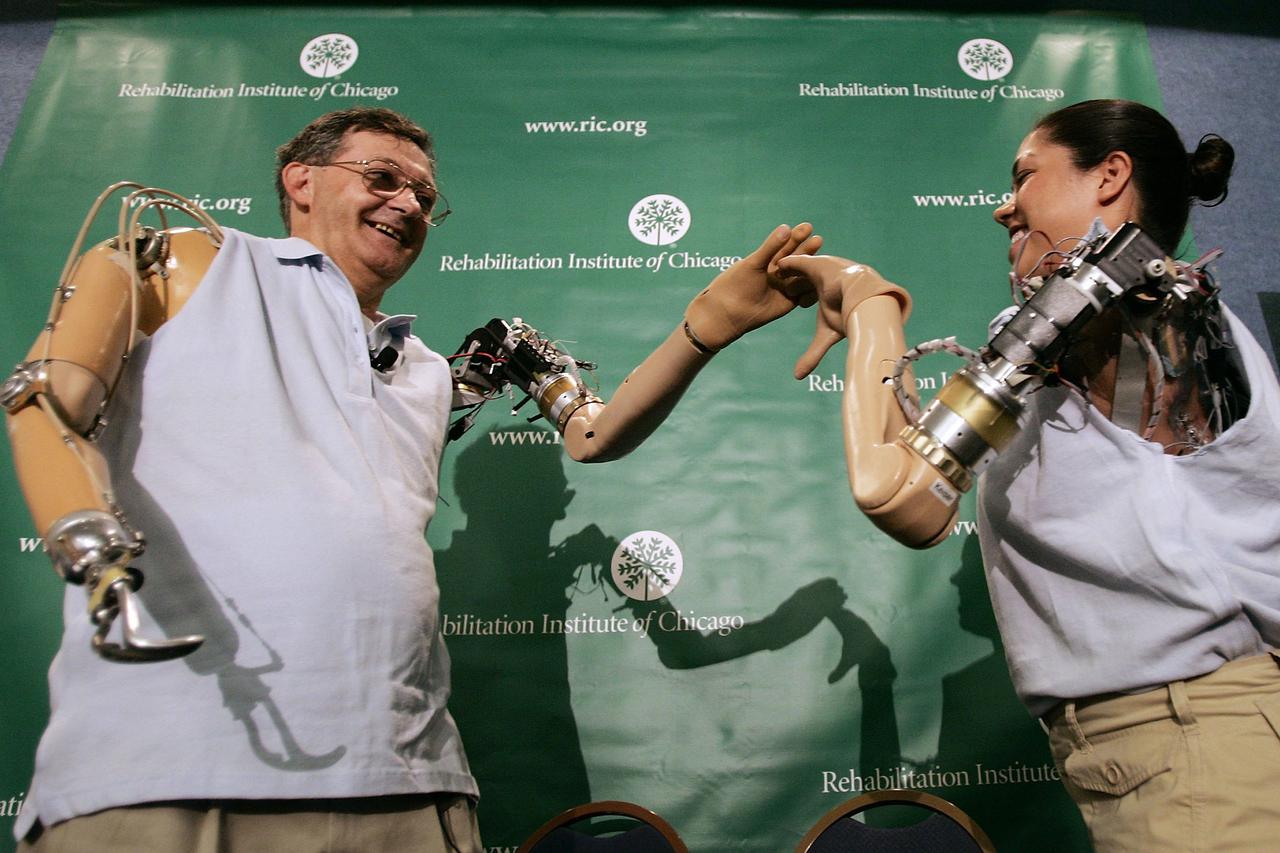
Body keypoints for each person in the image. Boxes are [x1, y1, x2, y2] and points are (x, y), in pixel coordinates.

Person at [4, 106, 821, 852]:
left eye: (426, 197)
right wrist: (91, 546)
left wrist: (704, 328)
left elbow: (594, 434)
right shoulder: (184, 262)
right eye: (383, 178)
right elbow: (47, 400)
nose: (409, 205)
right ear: (300, 181)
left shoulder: (427, 372)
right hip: (170, 770)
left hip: (408, 784)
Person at [777, 99, 1280, 851]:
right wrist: (863, 321)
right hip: (1170, 748)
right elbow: (928, 496)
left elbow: (897, 496)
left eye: (1024, 177)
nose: (1002, 207)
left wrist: (873, 302)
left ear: (1110, 175)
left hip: (1200, 744)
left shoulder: (1122, 294)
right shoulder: (1112, 318)